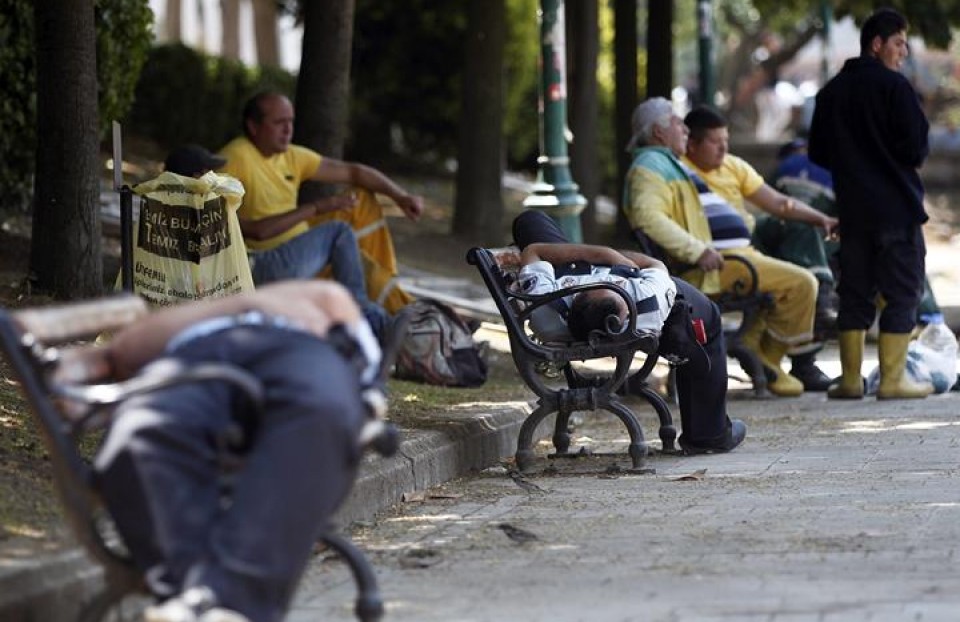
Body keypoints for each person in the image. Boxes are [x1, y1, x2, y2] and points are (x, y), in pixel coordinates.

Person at [91, 280, 382, 622]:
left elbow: (337, 309)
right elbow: (127, 350)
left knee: (320, 409)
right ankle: (218, 604)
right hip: (195, 357)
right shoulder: (212, 319)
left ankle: (206, 600)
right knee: (140, 427)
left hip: (304, 350)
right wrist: (243, 305)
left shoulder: (326, 309)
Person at [622, 97, 830, 397]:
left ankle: (762, 353)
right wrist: (697, 251)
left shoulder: (665, 163)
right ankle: (765, 358)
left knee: (795, 272)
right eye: (677, 123)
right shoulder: (650, 165)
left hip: (730, 259)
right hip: (710, 269)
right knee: (803, 283)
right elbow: (647, 216)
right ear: (658, 132)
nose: (683, 128)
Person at [512, 209, 746, 455]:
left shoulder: (549, 307)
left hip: (567, 272)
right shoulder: (646, 302)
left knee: (530, 220)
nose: (615, 283)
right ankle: (709, 436)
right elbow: (654, 265)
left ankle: (706, 429)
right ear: (623, 316)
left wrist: (598, 257)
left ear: (579, 297)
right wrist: (612, 259)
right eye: (619, 289)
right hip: (668, 309)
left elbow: (533, 251)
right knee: (708, 317)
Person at [809, 7, 933, 400]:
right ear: (876, 44)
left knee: (856, 290)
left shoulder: (831, 92)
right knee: (902, 290)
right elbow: (916, 149)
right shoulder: (896, 88)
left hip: (853, 210)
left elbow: (818, 152)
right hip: (896, 208)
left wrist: (854, 167)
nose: (904, 51)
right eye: (898, 42)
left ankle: (849, 380)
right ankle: (894, 380)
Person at [218, 91, 423, 315]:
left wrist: (400, 197)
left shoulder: (290, 155)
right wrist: (318, 207)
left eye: (290, 122)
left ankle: (396, 298)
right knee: (341, 236)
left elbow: (354, 172)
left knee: (362, 200)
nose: (288, 130)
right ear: (253, 127)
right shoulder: (236, 158)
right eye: (279, 123)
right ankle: (385, 315)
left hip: (304, 246)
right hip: (272, 260)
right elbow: (242, 229)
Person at [681, 106, 839, 392]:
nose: (723, 149)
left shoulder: (732, 165)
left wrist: (822, 218)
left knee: (801, 226)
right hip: (717, 258)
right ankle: (770, 353)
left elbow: (780, 203)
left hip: (749, 243)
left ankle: (774, 347)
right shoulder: (679, 170)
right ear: (691, 144)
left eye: (726, 141)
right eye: (715, 143)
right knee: (801, 282)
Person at [770, 138, 942, 325]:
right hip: (831, 240)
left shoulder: (783, 168)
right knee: (901, 256)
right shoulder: (842, 169)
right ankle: (929, 317)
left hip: (789, 245)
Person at [118, 145, 255, 307]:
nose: (213, 177)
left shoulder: (156, 201)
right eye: (208, 172)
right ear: (197, 177)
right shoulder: (211, 203)